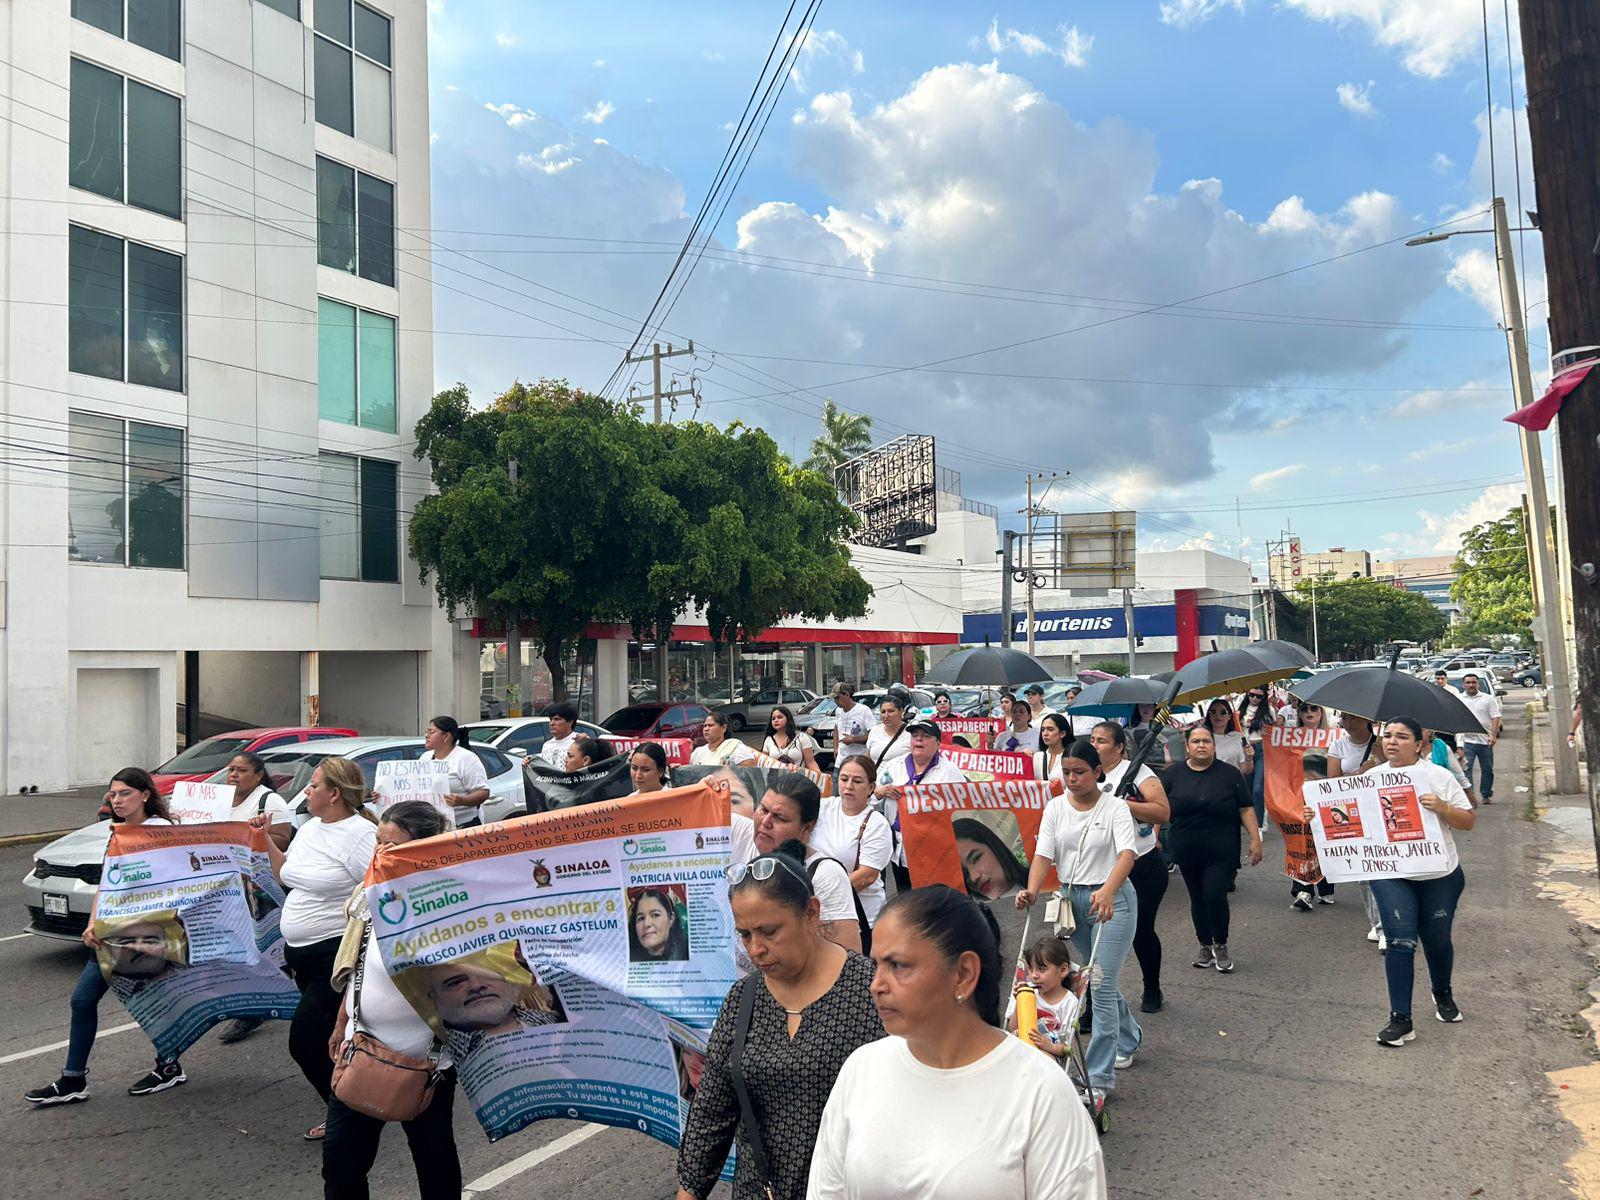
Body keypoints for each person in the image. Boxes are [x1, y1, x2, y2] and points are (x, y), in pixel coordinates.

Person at [809, 886, 1106, 1199]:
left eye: (898, 966)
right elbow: (826, 1189)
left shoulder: (1042, 1094)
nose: (876, 985)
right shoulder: (862, 1069)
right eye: (875, 965)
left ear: (964, 973)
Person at [675, 844, 883, 1200]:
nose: (755, 948)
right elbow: (710, 1115)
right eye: (745, 934)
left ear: (811, 913)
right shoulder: (743, 1000)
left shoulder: (872, 993)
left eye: (769, 931)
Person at [1305, 717, 1475, 1047]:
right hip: (1392, 875)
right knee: (1400, 942)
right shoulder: (1370, 779)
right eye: (1387, 736)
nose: (1391, 742)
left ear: (1419, 742)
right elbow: (1347, 821)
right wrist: (1317, 815)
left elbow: (1468, 820)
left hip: (1440, 876)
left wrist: (1441, 808)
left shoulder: (1438, 777)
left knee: (1437, 939)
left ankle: (1442, 994)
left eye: (1401, 736)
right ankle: (1401, 1019)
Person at [323, 801, 460, 1200]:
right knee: (341, 1163)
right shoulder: (371, 890)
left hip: (427, 1062)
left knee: (433, 1159)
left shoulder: (450, 901)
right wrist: (341, 1021)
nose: (379, 852)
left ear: (422, 847)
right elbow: (357, 962)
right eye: (378, 841)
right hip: (362, 1051)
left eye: (391, 843)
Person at [25, 769, 187, 1106]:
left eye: (125, 793)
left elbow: (180, 881)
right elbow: (108, 884)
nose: (117, 800)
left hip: (148, 930)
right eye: (112, 794)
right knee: (83, 1000)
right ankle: (73, 1080)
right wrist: (93, 921)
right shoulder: (117, 834)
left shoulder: (162, 833)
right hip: (112, 931)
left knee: (155, 1001)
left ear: (145, 795)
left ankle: (168, 1066)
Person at [255, 757, 378, 1140]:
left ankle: (349, 1114)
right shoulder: (309, 829)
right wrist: (262, 842)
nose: (306, 791)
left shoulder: (360, 835)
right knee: (331, 1037)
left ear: (334, 794)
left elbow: (380, 891)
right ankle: (356, 1101)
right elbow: (284, 874)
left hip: (335, 954)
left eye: (313, 785)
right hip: (300, 955)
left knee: (304, 1040)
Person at [1016, 740, 1140, 1099]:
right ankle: (1130, 1036)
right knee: (1098, 976)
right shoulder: (1055, 808)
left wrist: (1107, 890)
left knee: (1097, 985)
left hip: (1112, 900)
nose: (1071, 778)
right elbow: (1043, 854)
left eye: (1079, 772)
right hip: (1073, 900)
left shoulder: (1115, 807)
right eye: (1067, 772)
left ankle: (1098, 1079)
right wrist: (1032, 890)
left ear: (1097, 772)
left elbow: (1127, 854)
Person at [1161, 726, 1260, 974]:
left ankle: (1221, 944)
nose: (1201, 745)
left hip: (1222, 848)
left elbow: (1246, 807)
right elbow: (1160, 807)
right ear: (1187, 746)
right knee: (1197, 898)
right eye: (1196, 741)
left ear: (1214, 745)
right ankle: (1204, 945)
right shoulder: (1174, 774)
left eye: (1206, 741)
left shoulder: (1229, 774)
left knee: (1214, 895)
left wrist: (1255, 839)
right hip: (1186, 847)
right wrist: (1154, 834)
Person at [1090, 722, 1172, 1013]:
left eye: (1101, 741)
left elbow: (1162, 811)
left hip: (1142, 866)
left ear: (1119, 747)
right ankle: (1093, 1001)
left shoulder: (1139, 773)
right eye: (1092, 739)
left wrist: (1124, 805)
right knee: (1094, 937)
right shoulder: (1089, 775)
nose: (1095, 745)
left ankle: (1152, 988)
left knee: (1140, 931)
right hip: (1102, 867)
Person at [218, 750, 293, 1044]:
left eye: (241, 770)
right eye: (231, 769)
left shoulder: (269, 800)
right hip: (227, 883)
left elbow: (282, 838)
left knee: (257, 943)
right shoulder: (220, 799)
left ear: (258, 775)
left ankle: (252, 1010)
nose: (234, 774)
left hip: (259, 884)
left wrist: (247, 838)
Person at [753, 773, 863, 952]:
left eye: (780, 818)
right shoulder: (744, 839)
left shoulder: (826, 876)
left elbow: (848, 964)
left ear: (807, 828)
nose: (765, 822)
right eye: (763, 810)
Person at [810, 756, 893, 933]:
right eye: (844, 779)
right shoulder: (822, 807)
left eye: (857, 781)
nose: (848, 786)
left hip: (859, 921)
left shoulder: (877, 824)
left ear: (871, 788)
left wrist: (819, 899)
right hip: (818, 916)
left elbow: (867, 876)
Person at [1328, 713, 1385, 945]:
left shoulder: (1381, 745)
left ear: (1366, 720)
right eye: (1344, 718)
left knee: (1382, 870)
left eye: (1352, 719)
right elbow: (1331, 781)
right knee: (1363, 873)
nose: (1347, 723)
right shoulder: (1338, 745)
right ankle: (1375, 921)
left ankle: (1385, 927)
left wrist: (1376, 764)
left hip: (1379, 813)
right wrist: (1357, 775)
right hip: (1352, 814)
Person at [1289, 701, 1336, 911]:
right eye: (1304, 709)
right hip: (1298, 796)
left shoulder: (1333, 737)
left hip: (1325, 797)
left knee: (1322, 842)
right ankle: (1303, 890)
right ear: (1298, 712)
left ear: (1321, 712)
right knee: (1300, 843)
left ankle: (1326, 888)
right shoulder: (1288, 738)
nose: (1309, 712)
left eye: (1314, 708)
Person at [1004, 933, 1080, 1054]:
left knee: (1037, 1059)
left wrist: (1048, 1046)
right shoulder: (1026, 991)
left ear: (1063, 970)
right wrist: (1019, 1001)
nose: (1034, 975)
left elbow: (1067, 1044)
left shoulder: (1069, 1002)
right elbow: (1013, 1029)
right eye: (1031, 969)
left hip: (1050, 1054)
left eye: (1041, 969)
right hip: (1021, 1048)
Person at [421, 716, 490, 830]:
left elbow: (483, 792)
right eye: (427, 732)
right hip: (434, 827)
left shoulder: (466, 758)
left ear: (446, 736)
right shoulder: (425, 758)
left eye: (431, 732)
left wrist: (461, 800)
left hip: (463, 826)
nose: (426, 735)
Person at [952, 817, 1030, 901]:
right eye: (964, 873)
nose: (974, 877)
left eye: (975, 859)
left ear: (994, 847)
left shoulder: (1041, 884)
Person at [1236, 686, 1277, 829]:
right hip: (1244, 749)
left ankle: (1258, 824)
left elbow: (1276, 730)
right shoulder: (1240, 705)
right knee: (1246, 788)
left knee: (1258, 789)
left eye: (1258, 696)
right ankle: (1249, 820)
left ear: (1264, 697)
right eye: (1252, 695)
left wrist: (1265, 726)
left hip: (1261, 749)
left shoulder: (1269, 710)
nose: (1254, 698)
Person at [1458, 674, 1502, 804]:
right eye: (1468, 682)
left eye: (1473, 682)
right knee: (1467, 769)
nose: (1471, 685)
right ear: (1463, 684)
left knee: (1487, 769)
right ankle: (1470, 796)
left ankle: (1486, 794)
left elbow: (1495, 717)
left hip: (1485, 741)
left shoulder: (1487, 699)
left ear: (1478, 684)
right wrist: (1459, 743)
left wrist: (1493, 736)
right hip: (1468, 741)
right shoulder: (1460, 699)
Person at [831, 683, 877, 783]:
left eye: (837, 697)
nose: (835, 701)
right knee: (836, 794)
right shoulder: (838, 711)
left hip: (859, 761)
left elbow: (873, 735)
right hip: (840, 762)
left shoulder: (863, 710)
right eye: (834, 699)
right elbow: (836, 729)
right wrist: (835, 748)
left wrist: (853, 740)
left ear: (847, 695)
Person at [629, 888, 692, 961]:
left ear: (671, 919)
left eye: (655, 915)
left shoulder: (688, 953)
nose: (646, 923)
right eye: (641, 918)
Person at [762, 704, 820, 771]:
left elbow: (811, 763)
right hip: (775, 779)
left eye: (780, 717)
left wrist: (822, 779)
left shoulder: (801, 737)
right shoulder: (769, 740)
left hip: (797, 779)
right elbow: (763, 763)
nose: (776, 720)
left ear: (788, 718)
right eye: (773, 718)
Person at [691, 711, 757, 767]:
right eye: (705, 726)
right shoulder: (698, 752)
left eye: (710, 725)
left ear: (724, 728)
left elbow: (750, 767)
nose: (706, 729)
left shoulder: (734, 747)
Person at [1203, 698, 1252, 772]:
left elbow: (1246, 770)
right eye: (1213, 712)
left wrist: (1248, 758)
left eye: (1223, 712)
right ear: (1209, 715)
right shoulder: (1202, 738)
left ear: (1229, 716)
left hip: (1232, 781)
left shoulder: (1239, 737)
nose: (1218, 715)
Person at [1033, 712, 1071, 789]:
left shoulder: (1072, 756)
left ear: (1062, 733)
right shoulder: (1037, 756)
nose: (1045, 733)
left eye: (1050, 729)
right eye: (1043, 730)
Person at [538, 702, 581, 769]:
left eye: (556, 719)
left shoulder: (579, 741)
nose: (552, 723)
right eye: (551, 719)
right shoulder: (547, 745)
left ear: (570, 722)